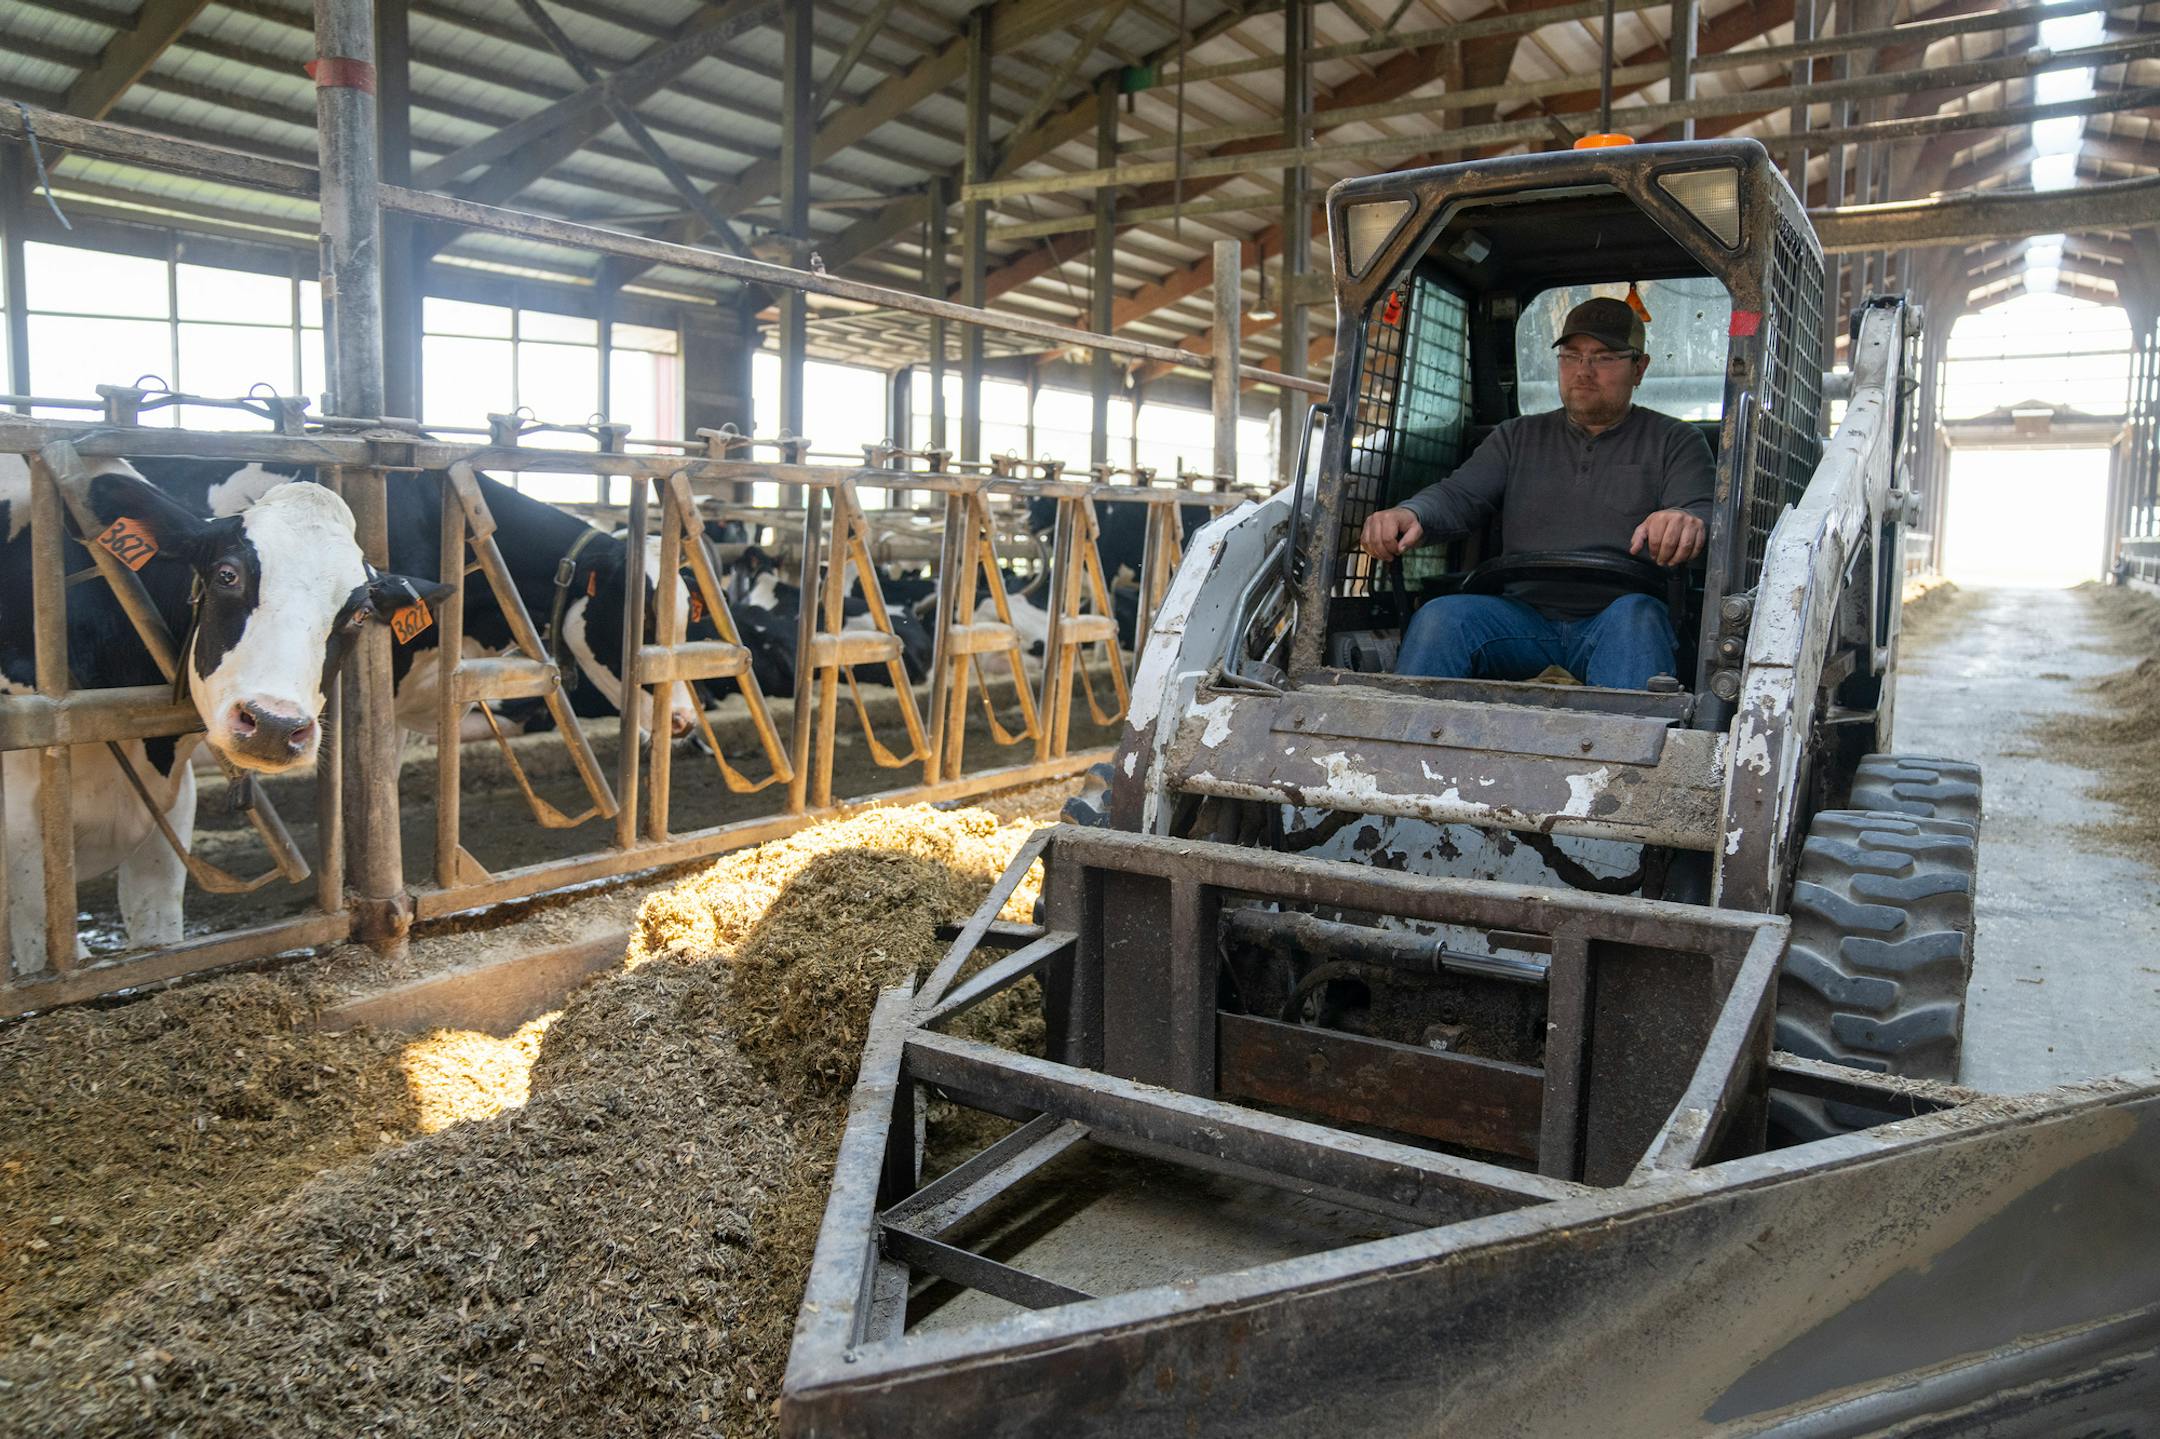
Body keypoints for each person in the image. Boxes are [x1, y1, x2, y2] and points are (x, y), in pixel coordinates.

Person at [1359, 296, 1713, 690]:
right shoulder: (1517, 436)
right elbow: (1459, 495)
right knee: (1441, 618)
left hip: (1616, 618)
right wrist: (1413, 513)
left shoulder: (1676, 441)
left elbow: (1701, 510)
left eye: (1604, 357)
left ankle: (1623, 747)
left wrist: (1684, 519)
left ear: (1639, 368)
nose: (1584, 371)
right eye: (1571, 356)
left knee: (1638, 618)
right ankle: (1406, 742)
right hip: (1520, 619)